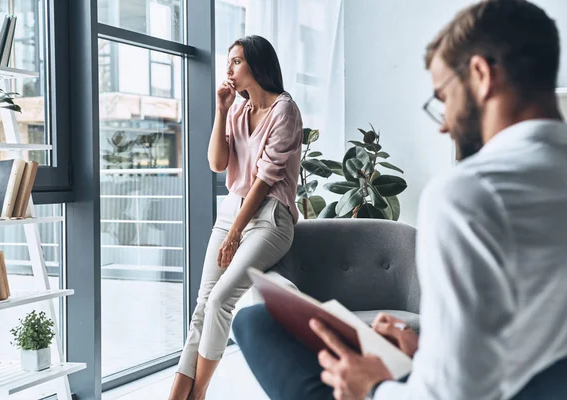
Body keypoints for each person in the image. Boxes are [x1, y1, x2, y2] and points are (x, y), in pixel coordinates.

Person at [233, 1, 567, 399]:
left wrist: (373, 386)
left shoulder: (470, 195)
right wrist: (427, 353)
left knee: (256, 325)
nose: (444, 124)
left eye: (444, 97)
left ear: (480, 75)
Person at [168, 35, 303, 400]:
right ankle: (176, 395)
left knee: (221, 300)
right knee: (202, 304)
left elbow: (263, 182)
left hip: (270, 218)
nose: (229, 69)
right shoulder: (239, 110)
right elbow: (217, 163)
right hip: (232, 212)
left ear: (257, 66)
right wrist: (221, 109)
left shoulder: (284, 111)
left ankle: (196, 395)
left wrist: (234, 235)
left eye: (237, 61)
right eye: (229, 62)